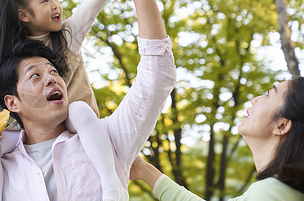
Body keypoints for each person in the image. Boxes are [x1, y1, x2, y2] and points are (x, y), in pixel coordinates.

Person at [0, 0, 176, 200]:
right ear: (24, 14)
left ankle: (111, 184)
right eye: (45, 0)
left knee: (79, 111)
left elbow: (93, 5)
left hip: (86, 125)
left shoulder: (67, 36)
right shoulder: (6, 159)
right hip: (21, 136)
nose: (55, 4)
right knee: (3, 142)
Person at [129, 77, 304, 200]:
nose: (255, 100)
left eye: (268, 94)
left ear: (282, 125)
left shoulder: (270, 193)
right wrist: (144, 170)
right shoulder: (279, 191)